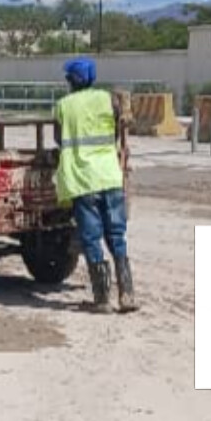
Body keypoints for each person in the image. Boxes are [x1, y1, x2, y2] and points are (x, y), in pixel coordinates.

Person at [53, 57, 133, 313]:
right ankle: (127, 294)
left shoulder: (63, 106)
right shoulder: (108, 100)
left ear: (71, 81)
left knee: (91, 237)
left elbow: (58, 137)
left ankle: (102, 298)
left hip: (82, 180)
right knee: (116, 235)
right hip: (110, 175)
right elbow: (117, 132)